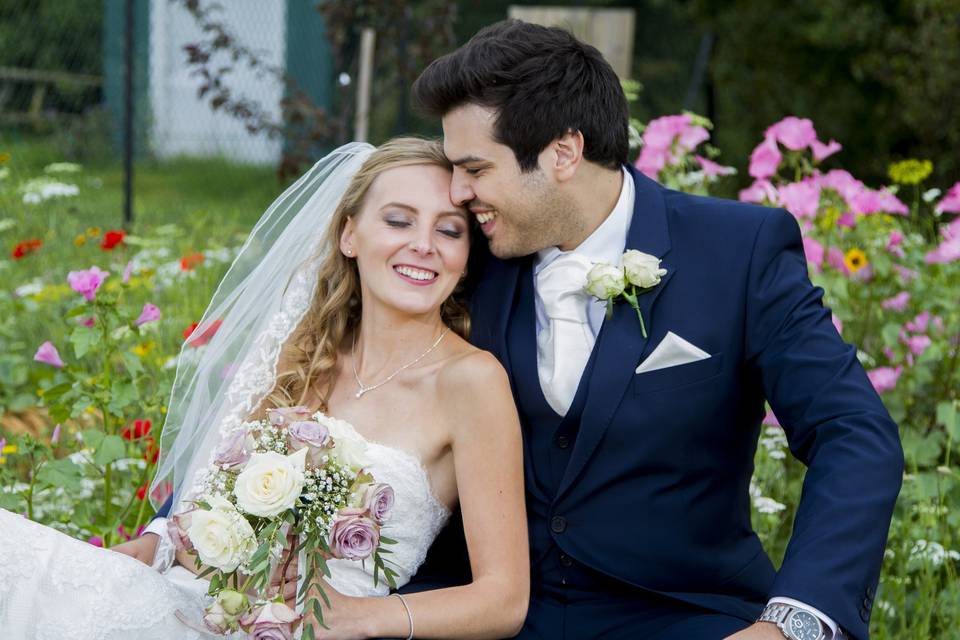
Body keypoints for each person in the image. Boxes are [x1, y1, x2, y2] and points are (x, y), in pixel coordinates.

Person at [400, 20, 904, 640]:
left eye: (474, 168)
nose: (456, 192)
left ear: (563, 152)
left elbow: (851, 432)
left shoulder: (738, 252)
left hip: (683, 615)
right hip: (488, 616)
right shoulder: (464, 256)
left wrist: (793, 623)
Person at [0, 138, 529, 639]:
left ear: (465, 258)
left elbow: (503, 600)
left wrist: (362, 618)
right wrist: (158, 543)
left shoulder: (471, 383)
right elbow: (207, 507)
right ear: (349, 235)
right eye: (398, 220)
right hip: (190, 602)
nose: (423, 245)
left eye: (450, 230)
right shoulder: (307, 353)